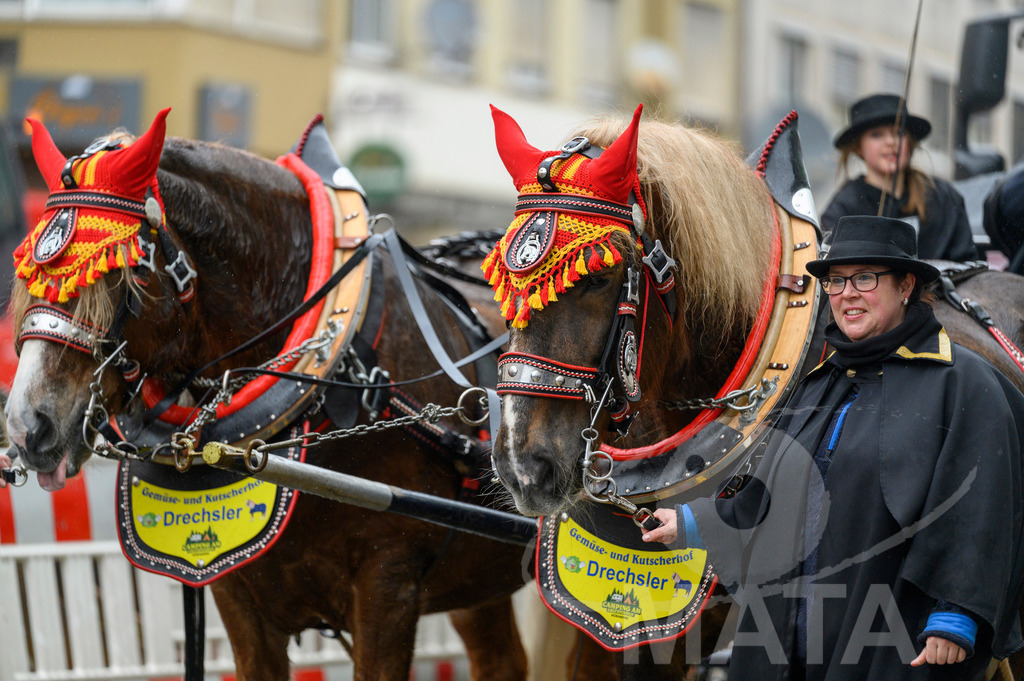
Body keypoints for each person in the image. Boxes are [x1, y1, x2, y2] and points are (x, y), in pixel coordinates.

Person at [642, 215, 1024, 680]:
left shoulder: (962, 382)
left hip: (893, 639)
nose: (847, 294)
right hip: (786, 637)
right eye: (837, 281)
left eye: (865, 278)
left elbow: (983, 509)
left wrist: (954, 615)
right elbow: (771, 496)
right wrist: (693, 522)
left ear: (906, 286)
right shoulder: (820, 382)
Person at [821, 93, 979, 262]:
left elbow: (969, 265)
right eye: (876, 134)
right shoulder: (843, 210)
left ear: (910, 143)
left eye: (899, 133)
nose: (891, 142)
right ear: (858, 147)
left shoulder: (945, 198)